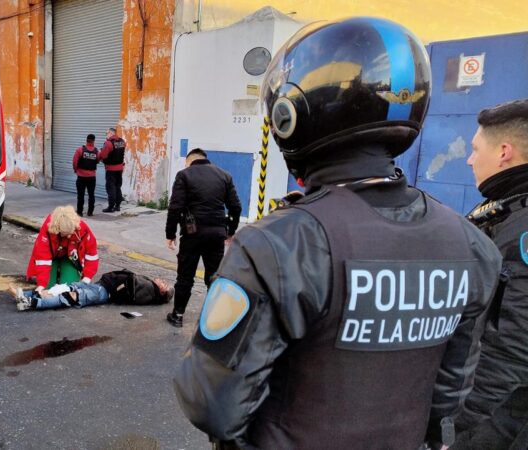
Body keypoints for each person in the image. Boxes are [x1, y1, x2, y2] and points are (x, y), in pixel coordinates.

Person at [173, 17, 503, 450]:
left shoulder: (280, 244)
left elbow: (211, 403)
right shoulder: (473, 244)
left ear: (291, 114)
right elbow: (448, 395)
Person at [454, 99, 528, 450]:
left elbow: (513, 344)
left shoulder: (522, 227)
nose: (470, 159)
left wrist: (458, 424)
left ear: (503, 152)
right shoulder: (507, 209)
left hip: (502, 415)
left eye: (474, 149)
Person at [165, 148, 241, 328]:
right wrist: (230, 231)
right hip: (217, 233)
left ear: (190, 161)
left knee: (185, 275)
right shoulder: (225, 175)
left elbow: (175, 206)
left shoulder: (184, 175)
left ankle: (178, 315)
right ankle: (213, 317)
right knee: (214, 276)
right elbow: (235, 207)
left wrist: (170, 234)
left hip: (192, 234)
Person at [9, 270, 173, 311]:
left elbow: (131, 289)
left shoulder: (151, 290)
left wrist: (119, 285)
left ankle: (31, 302)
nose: (162, 281)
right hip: (103, 286)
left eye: (165, 285)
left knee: (72, 296)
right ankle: (29, 295)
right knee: (70, 287)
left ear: (162, 291)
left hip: (104, 292)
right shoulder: (150, 286)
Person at [26, 205, 99, 292]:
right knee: (48, 288)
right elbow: (43, 260)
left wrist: (87, 277)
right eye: (65, 234)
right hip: (51, 258)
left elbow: (92, 255)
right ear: (57, 229)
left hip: (70, 258)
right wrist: (41, 285)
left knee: (68, 288)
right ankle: (56, 273)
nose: (68, 236)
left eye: (70, 233)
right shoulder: (47, 231)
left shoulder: (82, 229)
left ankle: (62, 272)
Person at [100, 127, 126, 212]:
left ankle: (111, 207)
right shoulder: (122, 141)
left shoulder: (108, 143)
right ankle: (117, 206)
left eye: (106, 133)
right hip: (120, 169)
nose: (106, 135)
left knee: (110, 188)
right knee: (118, 187)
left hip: (111, 169)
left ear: (111, 133)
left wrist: (100, 153)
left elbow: (103, 155)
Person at [72, 134, 99, 216]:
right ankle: (90, 212)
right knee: (91, 195)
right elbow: (97, 161)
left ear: (86, 140)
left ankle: (79, 212)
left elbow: (74, 162)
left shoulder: (80, 150)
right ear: (94, 141)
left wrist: (76, 170)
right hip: (91, 177)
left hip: (81, 176)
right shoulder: (97, 151)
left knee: (80, 195)